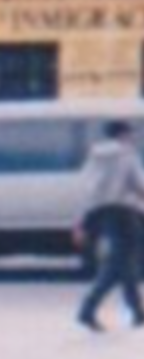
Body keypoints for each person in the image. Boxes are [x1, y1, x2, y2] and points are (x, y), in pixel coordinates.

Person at [75, 118, 144, 331]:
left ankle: (137, 313)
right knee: (121, 261)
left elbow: (85, 184)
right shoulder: (126, 154)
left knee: (124, 261)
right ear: (122, 134)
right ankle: (87, 310)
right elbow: (138, 183)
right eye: (130, 133)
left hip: (100, 212)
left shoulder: (95, 155)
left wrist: (84, 219)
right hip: (125, 211)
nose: (133, 136)